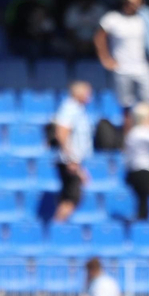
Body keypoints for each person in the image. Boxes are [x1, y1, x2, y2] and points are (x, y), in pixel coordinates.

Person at [95, 0, 149, 111]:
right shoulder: (112, 18)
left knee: (148, 104)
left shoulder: (146, 18)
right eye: (133, 3)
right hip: (122, 68)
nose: (136, 6)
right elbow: (99, 37)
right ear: (125, 3)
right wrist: (105, 58)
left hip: (144, 67)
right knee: (126, 106)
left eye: (139, 3)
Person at [51, 81, 94, 223]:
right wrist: (71, 159)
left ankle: (57, 230)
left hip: (74, 160)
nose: (90, 96)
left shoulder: (78, 109)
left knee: (69, 197)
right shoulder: (70, 108)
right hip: (69, 160)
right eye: (88, 93)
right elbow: (61, 133)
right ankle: (56, 228)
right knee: (72, 198)